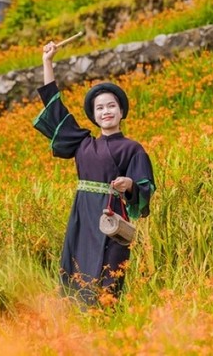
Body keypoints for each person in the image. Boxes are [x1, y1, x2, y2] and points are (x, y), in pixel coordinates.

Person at [33, 41, 156, 304]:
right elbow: (55, 108)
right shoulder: (83, 143)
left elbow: (145, 187)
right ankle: (75, 319)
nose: (106, 112)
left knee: (108, 274)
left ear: (121, 111)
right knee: (76, 272)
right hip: (81, 216)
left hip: (111, 218)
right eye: (99, 108)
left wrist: (129, 184)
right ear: (93, 115)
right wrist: (47, 62)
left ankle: (107, 316)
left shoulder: (132, 148)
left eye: (111, 106)